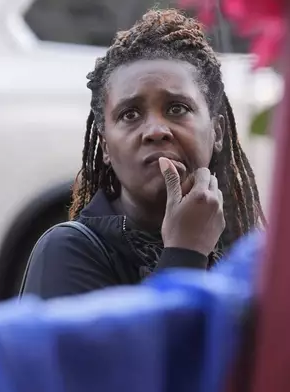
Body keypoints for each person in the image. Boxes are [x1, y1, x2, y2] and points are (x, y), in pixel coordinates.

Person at [21, 9, 264, 300]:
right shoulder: (67, 251)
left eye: (177, 108)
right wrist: (185, 252)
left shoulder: (248, 258)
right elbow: (157, 345)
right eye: (130, 114)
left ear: (218, 132)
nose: (156, 130)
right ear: (107, 147)